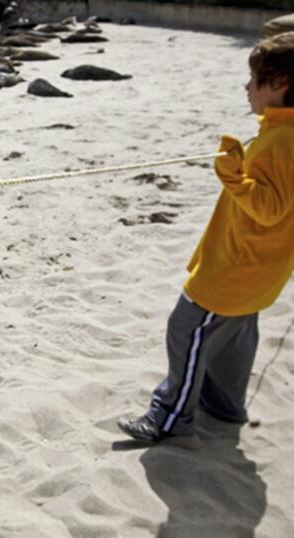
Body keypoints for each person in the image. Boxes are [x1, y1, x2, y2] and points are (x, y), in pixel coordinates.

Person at [118, 32, 294, 444]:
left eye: (254, 79)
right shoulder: (281, 134)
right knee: (234, 335)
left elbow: (269, 208)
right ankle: (225, 405)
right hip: (259, 271)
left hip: (235, 269)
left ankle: (170, 419)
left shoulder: (280, 142)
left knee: (187, 329)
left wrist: (233, 174)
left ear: (280, 84)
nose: (246, 87)